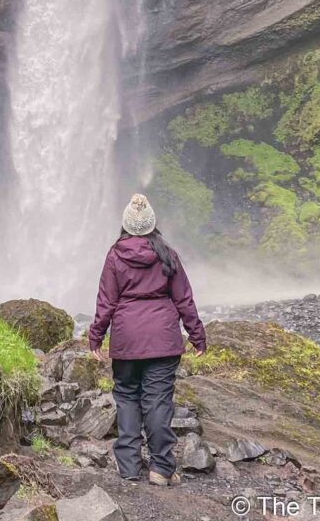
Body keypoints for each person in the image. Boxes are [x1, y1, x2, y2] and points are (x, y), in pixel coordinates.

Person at [88, 193, 206, 487]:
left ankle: (128, 465)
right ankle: (161, 469)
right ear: (152, 224)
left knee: (127, 397)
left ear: (126, 225)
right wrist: (197, 335)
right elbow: (184, 299)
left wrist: (96, 337)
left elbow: (106, 301)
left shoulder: (115, 255)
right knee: (157, 401)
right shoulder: (167, 253)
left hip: (127, 340)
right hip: (163, 340)